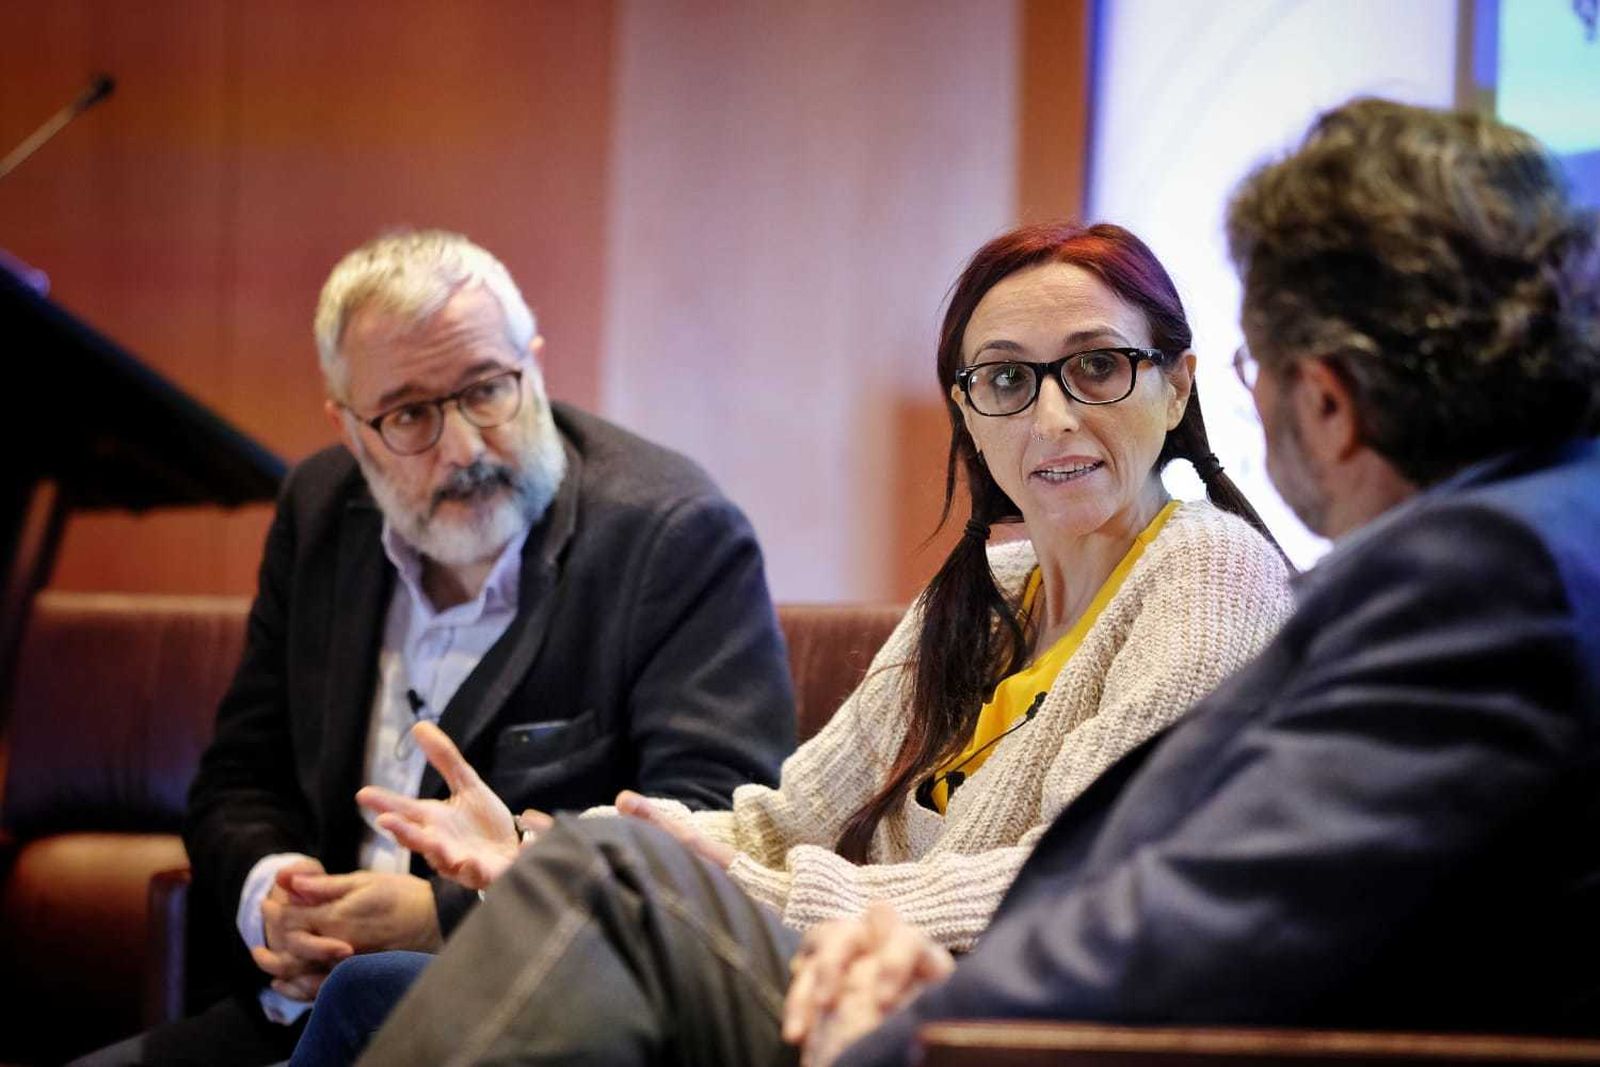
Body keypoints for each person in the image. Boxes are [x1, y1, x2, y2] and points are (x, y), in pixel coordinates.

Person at [290, 221, 1296, 1066]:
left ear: (1175, 386)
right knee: (373, 989)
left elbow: (1073, 885)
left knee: (582, 886)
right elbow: (782, 816)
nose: (1052, 415)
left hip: (975, 1020)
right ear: (967, 413)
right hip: (832, 977)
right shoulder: (984, 590)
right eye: (1004, 380)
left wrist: (711, 886)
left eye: (1096, 366)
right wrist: (540, 850)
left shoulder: (1209, 570)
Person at [785, 97, 1600, 1066]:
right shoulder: (1528, 529)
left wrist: (909, 1022)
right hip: (1035, 993)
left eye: (1254, 366)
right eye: (1005, 382)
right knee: (612, 871)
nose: (1051, 419)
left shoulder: (1478, 574)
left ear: (1327, 400)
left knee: (619, 891)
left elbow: (1209, 914)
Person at [73, 230, 797, 1067]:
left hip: (520, 1025)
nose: (463, 448)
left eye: (487, 389)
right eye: (411, 413)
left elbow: (715, 828)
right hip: (289, 1014)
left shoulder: (671, 536)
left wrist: (442, 916)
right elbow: (240, 777)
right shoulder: (319, 511)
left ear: (534, 364)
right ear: (348, 427)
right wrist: (273, 892)